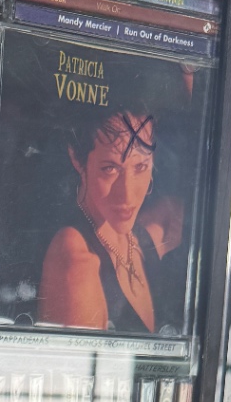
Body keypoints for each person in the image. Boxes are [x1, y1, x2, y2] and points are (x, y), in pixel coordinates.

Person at [38, 107, 181, 333]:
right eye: (110, 169)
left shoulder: (139, 240)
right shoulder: (76, 259)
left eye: (140, 167)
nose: (127, 194)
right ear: (77, 159)